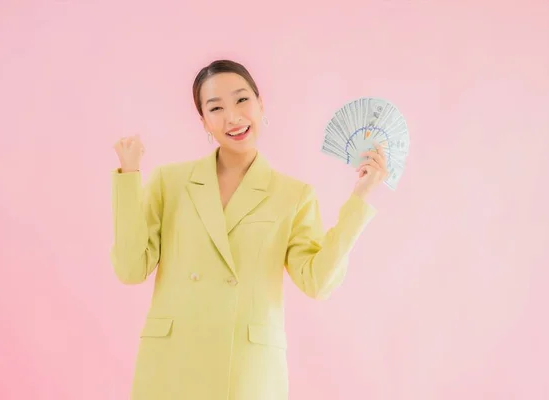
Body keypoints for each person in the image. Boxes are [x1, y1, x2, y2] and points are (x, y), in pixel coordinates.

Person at [110, 59, 388, 400]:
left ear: (260, 104)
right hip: (174, 363)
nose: (233, 117)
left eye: (242, 100)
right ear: (204, 122)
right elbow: (129, 268)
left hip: (245, 369)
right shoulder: (170, 182)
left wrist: (360, 199)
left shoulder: (293, 195)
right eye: (216, 107)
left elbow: (317, 281)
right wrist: (129, 177)